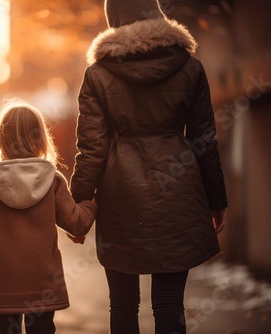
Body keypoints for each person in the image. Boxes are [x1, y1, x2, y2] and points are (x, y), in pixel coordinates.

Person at [70, 0, 228, 333]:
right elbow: (204, 139)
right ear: (156, 13)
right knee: (170, 303)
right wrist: (216, 200)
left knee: (123, 305)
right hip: (180, 191)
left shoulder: (97, 74)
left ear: (113, 20)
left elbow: (92, 149)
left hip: (120, 197)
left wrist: (79, 205)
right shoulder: (189, 66)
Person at [0, 100, 97, 334]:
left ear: (1, 139)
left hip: (2, 287)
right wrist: (90, 203)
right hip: (43, 284)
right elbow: (77, 223)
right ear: (41, 138)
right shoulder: (52, 181)